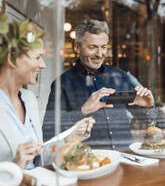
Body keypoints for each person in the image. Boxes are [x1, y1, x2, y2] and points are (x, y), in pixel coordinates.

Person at [43, 19, 157, 150]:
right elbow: (48, 132)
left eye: (103, 47)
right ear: (77, 47)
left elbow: (150, 121)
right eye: (92, 47)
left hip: (126, 158)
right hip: (88, 162)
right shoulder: (62, 84)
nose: (99, 54)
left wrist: (148, 107)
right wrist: (82, 111)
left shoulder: (119, 76)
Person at [0, 16, 95, 169]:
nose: (43, 65)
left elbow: (39, 159)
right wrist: (14, 166)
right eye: (37, 57)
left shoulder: (29, 100)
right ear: (12, 59)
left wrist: (69, 139)